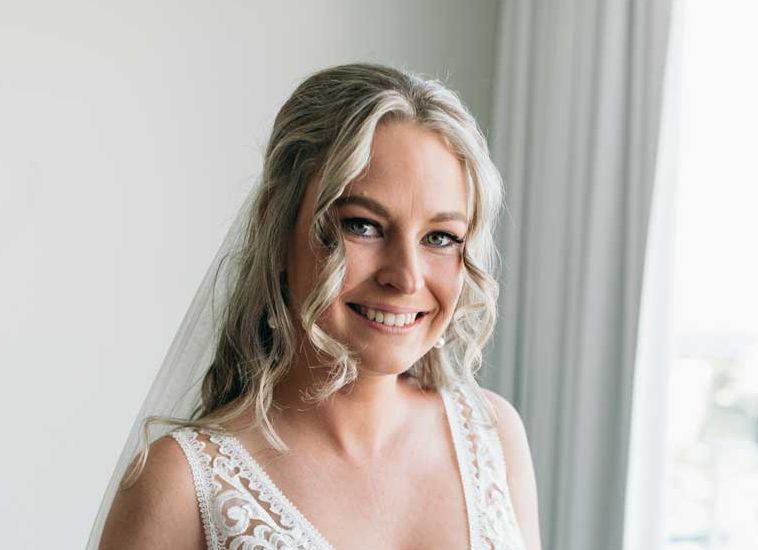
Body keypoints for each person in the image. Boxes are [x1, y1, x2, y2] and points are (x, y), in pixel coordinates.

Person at [92, 63, 541, 549]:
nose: (407, 276)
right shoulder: (181, 485)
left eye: (440, 237)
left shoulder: (493, 436)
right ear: (278, 225)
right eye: (363, 225)